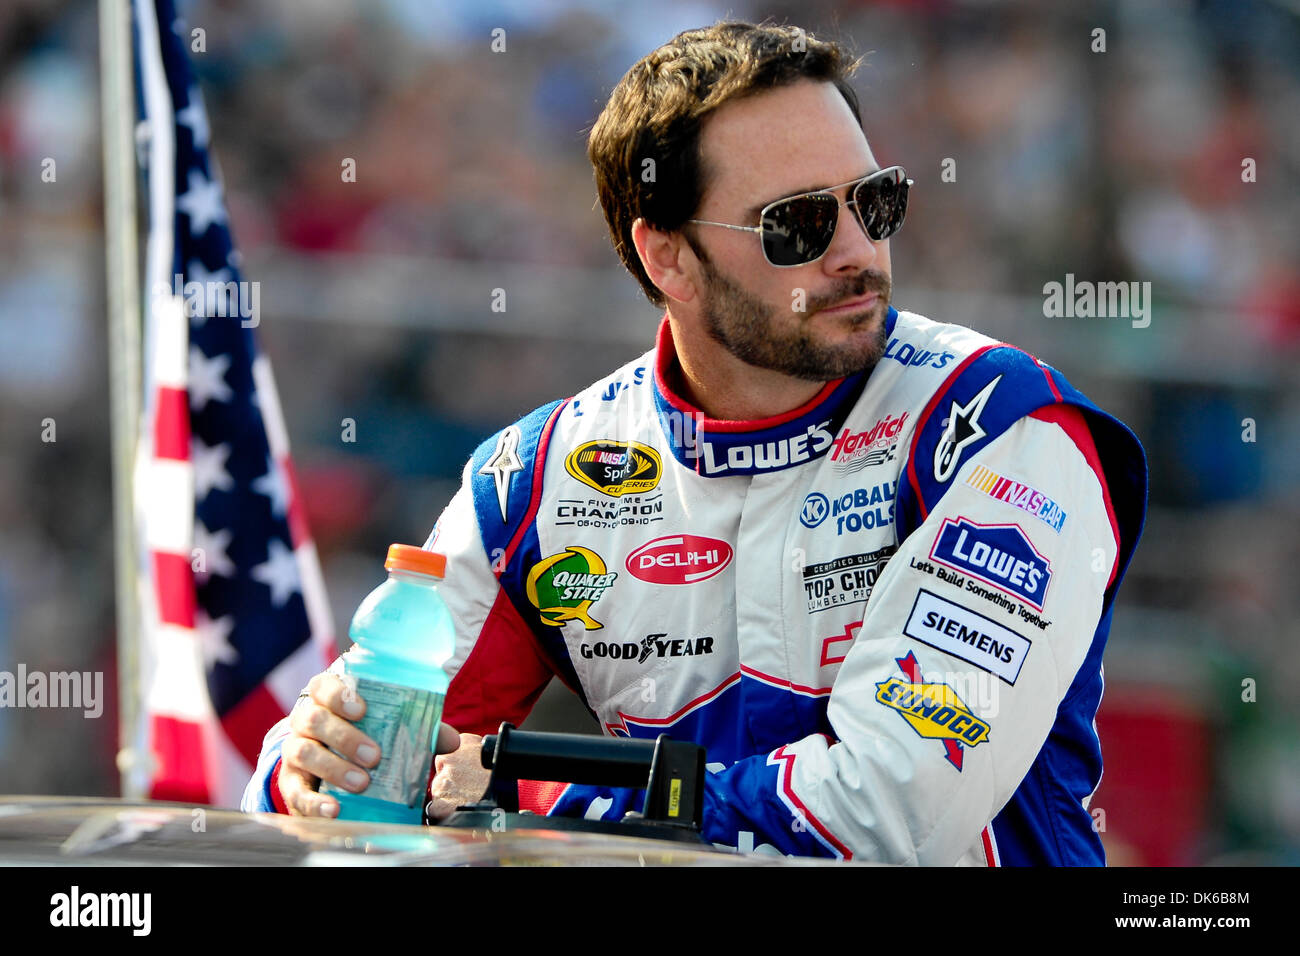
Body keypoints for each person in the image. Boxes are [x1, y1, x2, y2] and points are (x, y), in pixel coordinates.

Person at [242, 21, 1146, 865]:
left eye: (874, 201)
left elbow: (890, 815)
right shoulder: (539, 479)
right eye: (797, 224)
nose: (857, 251)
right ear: (666, 256)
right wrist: (317, 763)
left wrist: (541, 798)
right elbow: (330, 779)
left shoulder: (1000, 427)